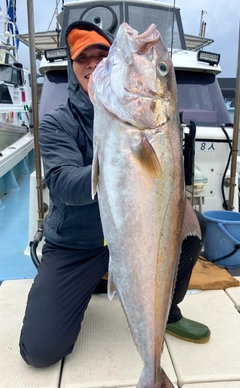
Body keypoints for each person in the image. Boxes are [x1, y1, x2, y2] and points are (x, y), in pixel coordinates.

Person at [19, 20, 210, 369]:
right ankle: (94, 283)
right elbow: (61, 183)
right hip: (77, 246)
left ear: (112, 62)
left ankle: (163, 310)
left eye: (100, 54)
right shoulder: (56, 123)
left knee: (197, 226)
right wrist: (121, 167)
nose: (91, 63)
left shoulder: (148, 118)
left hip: (130, 239)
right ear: (72, 67)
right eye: (82, 59)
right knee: (40, 351)